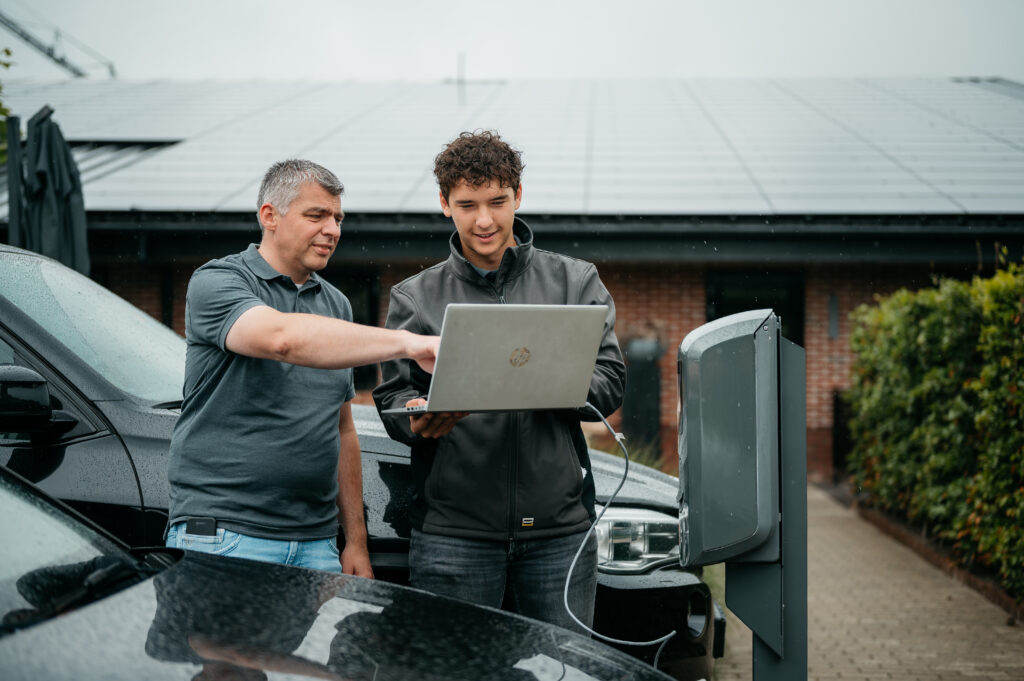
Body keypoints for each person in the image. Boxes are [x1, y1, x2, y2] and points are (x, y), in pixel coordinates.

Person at [373, 131, 625, 633]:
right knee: (454, 668)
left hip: (559, 533)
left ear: (519, 195)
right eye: (467, 205)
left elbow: (611, 381)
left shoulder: (576, 282)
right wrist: (415, 418)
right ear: (444, 203)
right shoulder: (414, 298)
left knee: (562, 668)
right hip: (453, 536)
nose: (484, 220)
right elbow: (393, 398)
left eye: (497, 202)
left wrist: (546, 383)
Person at [166, 159, 439, 577]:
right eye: (317, 215)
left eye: (338, 218)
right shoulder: (218, 281)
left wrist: (356, 541)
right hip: (227, 535)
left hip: (317, 543)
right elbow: (282, 339)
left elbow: (342, 429)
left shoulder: (335, 304)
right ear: (269, 216)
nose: (333, 230)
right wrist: (409, 342)